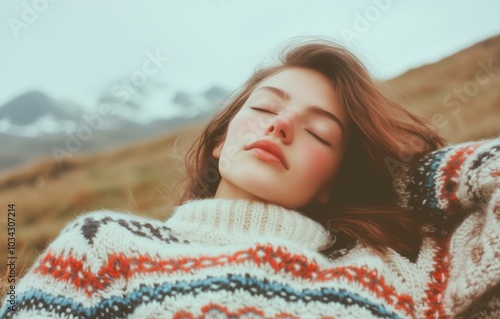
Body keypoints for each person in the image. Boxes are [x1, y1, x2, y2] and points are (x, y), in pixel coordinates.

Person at [1, 38, 499, 319]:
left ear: (334, 180)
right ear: (221, 142)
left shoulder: (398, 270)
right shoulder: (104, 244)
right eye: (264, 107)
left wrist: (404, 180)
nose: (280, 125)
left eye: (319, 135)